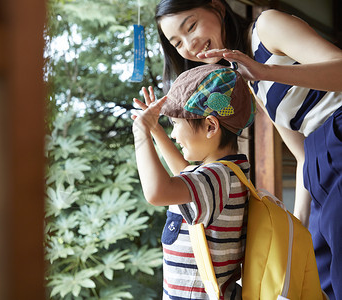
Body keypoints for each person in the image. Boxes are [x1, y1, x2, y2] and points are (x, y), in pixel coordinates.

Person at [153, 1, 342, 298]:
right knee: (322, 278)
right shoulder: (244, 76)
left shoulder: (266, 28)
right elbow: (302, 154)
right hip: (320, 157)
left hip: (337, 134)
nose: (189, 45)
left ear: (217, 6)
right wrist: (296, 228)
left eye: (190, 26)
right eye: (177, 42)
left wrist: (265, 71)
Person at [132, 63, 256, 299]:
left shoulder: (219, 178)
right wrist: (155, 130)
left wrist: (141, 134)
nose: (173, 134)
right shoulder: (225, 173)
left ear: (211, 126)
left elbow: (157, 192)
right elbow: (184, 173)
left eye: (176, 124)